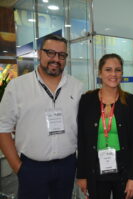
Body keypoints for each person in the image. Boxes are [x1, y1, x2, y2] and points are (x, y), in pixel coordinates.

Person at [0, 34, 83, 199]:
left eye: (61, 55)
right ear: (39, 53)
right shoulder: (18, 86)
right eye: (50, 53)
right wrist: (18, 167)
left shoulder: (77, 87)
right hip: (31, 168)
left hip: (67, 166)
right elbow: (3, 128)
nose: (56, 59)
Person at [76, 53, 133, 199]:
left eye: (118, 70)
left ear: (122, 73)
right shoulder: (87, 100)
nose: (113, 74)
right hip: (95, 169)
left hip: (124, 170)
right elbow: (81, 141)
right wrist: (82, 175)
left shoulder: (131, 102)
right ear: (100, 73)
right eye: (108, 69)